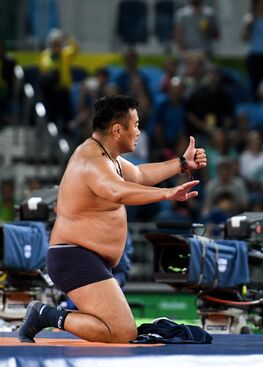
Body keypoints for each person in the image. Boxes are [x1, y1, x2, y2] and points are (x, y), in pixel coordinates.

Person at [18, 95, 207, 343]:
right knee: (121, 332)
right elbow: (118, 191)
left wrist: (182, 164)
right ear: (118, 129)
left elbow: (138, 175)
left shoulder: (109, 157)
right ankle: (45, 315)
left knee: (119, 329)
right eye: (136, 124)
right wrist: (167, 194)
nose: (139, 131)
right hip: (74, 257)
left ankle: (47, 315)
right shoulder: (91, 160)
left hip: (89, 258)